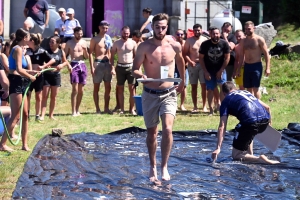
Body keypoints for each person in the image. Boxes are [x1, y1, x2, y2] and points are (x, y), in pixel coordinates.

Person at [132, 13, 185, 182]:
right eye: (157, 27)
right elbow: (134, 69)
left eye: (163, 27)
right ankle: (152, 165)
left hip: (169, 93)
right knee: (152, 133)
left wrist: (182, 82)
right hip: (150, 94)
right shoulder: (144, 47)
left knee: (168, 129)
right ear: (152, 27)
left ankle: (164, 167)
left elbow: (181, 62)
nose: (160, 30)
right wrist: (142, 75)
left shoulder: (174, 45)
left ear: (167, 28)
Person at [211, 81, 280, 164]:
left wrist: (218, 148)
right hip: (265, 120)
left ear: (224, 93)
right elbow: (267, 108)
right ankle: (250, 155)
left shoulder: (226, 101)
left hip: (250, 123)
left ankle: (259, 159)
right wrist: (269, 125)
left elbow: (222, 126)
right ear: (235, 88)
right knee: (246, 130)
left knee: (236, 155)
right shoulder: (246, 92)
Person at [0, 28, 38, 152]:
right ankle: (2, 144)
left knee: (25, 114)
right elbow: (17, 70)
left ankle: (24, 144)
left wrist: (31, 71)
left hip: (22, 82)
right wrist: (30, 76)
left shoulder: (21, 50)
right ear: (24, 38)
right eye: (28, 37)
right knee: (16, 115)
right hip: (16, 82)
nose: (30, 39)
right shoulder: (17, 49)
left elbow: (21, 69)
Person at [199, 27, 230, 115]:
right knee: (210, 89)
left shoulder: (224, 44)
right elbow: (201, 58)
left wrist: (221, 70)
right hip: (209, 70)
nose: (215, 35)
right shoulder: (205, 44)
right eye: (213, 34)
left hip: (221, 69)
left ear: (220, 34)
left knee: (223, 87)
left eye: (217, 33)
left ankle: (222, 108)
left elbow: (227, 57)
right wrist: (205, 71)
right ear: (210, 34)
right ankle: (211, 110)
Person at [236, 21, 270, 99]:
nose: (247, 31)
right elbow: (241, 55)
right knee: (248, 88)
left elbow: (266, 54)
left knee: (255, 88)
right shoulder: (243, 41)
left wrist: (268, 68)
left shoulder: (259, 39)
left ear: (253, 28)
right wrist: (238, 69)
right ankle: (250, 106)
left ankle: (258, 106)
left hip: (256, 65)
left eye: (249, 29)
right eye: (246, 29)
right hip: (247, 66)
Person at [26, 33, 55, 122]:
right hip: (29, 76)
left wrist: (43, 66)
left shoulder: (42, 51)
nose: (27, 41)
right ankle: (26, 114)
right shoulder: (27, 51)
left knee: (38, 96)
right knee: (28, 96)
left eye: (29, 40)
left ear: (33, 41)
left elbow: (52, 60)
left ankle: (37, 115)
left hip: (38, 76)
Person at [40, 36, 68, 120]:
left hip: (56, 76)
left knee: (54, 97)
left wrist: (61, 65)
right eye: (50, 42)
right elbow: (42, 62)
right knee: (45, 96)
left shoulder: (61, 52)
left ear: (58, 43)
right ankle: (42, 115)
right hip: (47, 75)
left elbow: (65, 61)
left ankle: (51, 115)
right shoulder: (46, 52)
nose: (50, 44)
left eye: (53, 42)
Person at [111, 26, 137, 115]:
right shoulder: (116, 43)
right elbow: (112, 57)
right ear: (121, 32)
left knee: (132, 89)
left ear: (129, 33)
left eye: (127, 33)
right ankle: (122, 109)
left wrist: (137, 68)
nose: (126, 35)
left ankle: (131, 109)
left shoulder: (133, 43)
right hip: (120, 67)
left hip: (130, 67)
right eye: (124, 33)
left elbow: (136, 56)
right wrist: (112, 68)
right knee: (120, 88)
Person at [89, 20, 113, 114]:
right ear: (99, 27)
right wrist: (92, 67)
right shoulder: (94, 39)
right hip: (98, 63)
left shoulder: (108, 38)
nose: (105, 30)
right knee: (96, 87)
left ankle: (106, 108)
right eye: (103, 28)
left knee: (108, 87)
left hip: (107, 64)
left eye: (107, 28)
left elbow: (110, 52)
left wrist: (111, 65)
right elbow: (90, 53)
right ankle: (97, 109)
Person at [183, 24, 208, 112]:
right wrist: (190, 61)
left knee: (204, 86)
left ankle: (204, 106)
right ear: (193, 31)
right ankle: (195, 106)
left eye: (198, 30)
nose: (197, 32)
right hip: (192, 65)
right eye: (195, 30)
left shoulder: (205, 40)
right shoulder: (189, 41)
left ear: (201, 30)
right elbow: (185, 53)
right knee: (194, 86)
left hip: (203, 65)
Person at [65, 27, 89, 116]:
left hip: (82, 64)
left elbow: (86, 57)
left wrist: (85, 50)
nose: (80, 35)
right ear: (74, 33)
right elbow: (64, 56)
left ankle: (77, 109)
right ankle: (73, 111)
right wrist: (68, 66)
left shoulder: (84, 42)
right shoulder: (69, 43)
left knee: (81, 90)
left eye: (81, 34)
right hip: (74, 65)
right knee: (74, 89)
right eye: (78, 34)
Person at [174, 29, 189, 111]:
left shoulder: (186, 44)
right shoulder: (173, 44)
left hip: (185, 67)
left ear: (184, 35)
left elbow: (188, 54)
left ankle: (182, 105)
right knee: (174, 85)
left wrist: (187, 63)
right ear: (175, 35)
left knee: (184, 86)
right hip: (174, 67)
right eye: (178, 34)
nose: (179, 36)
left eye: (181, 34)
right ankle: (174, 104)